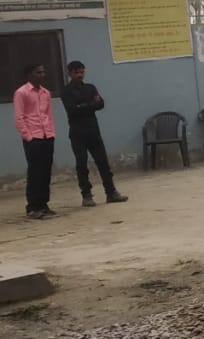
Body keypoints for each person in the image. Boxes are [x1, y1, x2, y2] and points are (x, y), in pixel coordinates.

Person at [62, 60, 128, 208]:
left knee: (103, 162)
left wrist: (84, 105)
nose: (80, 75)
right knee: (82, 164)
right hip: (78, 132)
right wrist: (91, 104)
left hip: (93, 130)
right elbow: (72, 110)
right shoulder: (66, 91)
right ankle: (86, 195)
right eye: (76, 72)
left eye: (82, 72)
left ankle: (111, 192)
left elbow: (101, 104)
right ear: (70, 73)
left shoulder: (90, 87)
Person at [13, 63, 56, 220]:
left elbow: (48, 115)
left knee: (46, 171)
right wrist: (28, 137)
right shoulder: (21, 93)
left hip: (47, 136)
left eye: (43, 72)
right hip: (33, 137)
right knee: (35, 172)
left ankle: (43, 204)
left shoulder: (46, 93)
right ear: (30, 75)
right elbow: (19, 117)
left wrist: (51, 133)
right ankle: (33, 207)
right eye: (39, 72)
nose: (42, 75)